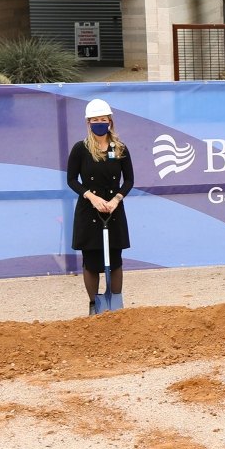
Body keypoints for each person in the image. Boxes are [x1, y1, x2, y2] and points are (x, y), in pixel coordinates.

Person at [67, 98, 134, 315]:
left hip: (114, 210)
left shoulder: (120, 148)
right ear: (88, 122)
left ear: (110, 121)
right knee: (92, 259)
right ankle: (94, 304)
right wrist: (91, 197)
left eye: (103, 119)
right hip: (89, 210)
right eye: (95, 120)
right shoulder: (81, 148)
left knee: (115, 258)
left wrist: (116, 199)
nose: (99, 123)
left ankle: (115, 305)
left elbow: (129, 180)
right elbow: (71, 179)